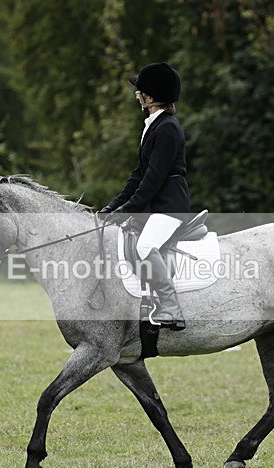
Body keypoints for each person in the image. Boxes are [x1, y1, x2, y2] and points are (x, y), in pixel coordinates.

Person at [99, 62, 190, 331]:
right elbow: (139, 175)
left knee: (144, 246)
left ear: (150, 97)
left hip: (170, 206)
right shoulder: (153, 125)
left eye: (139, 92)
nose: (137, 95)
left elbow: (154, 179)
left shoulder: (168, 128)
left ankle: (172, 308)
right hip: (156, 205)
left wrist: (128, 209)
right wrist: (113, 206)